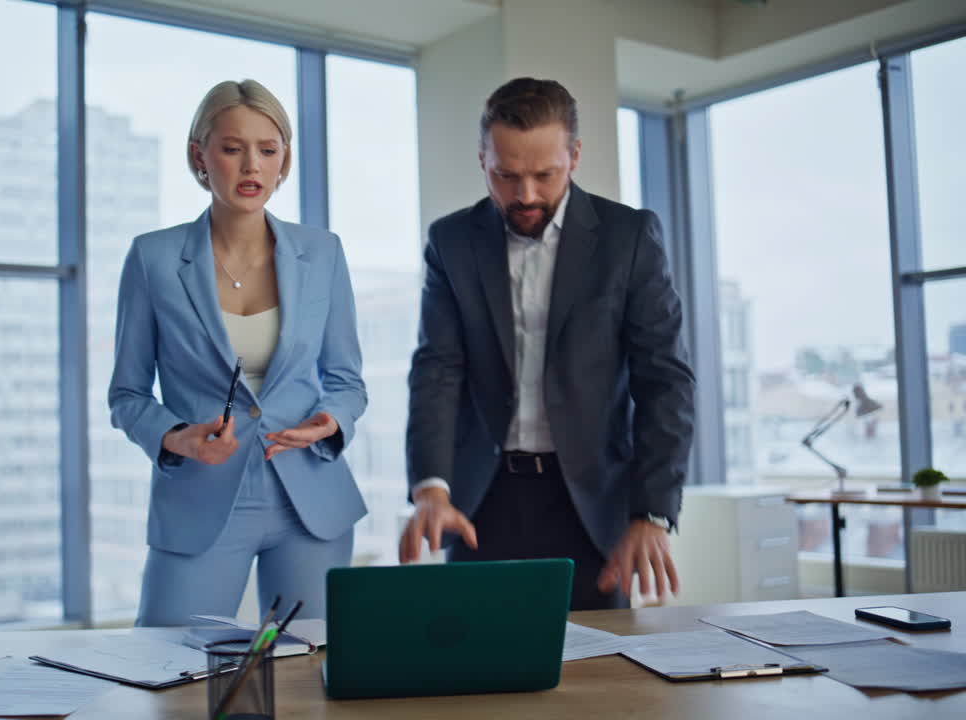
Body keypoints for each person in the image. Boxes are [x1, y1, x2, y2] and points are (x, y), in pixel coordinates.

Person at [399, 78, 695, 610]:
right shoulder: (452, 242)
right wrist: (430, 488)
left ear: (575, 155)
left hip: (590, 502)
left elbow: (665, 380)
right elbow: (437, 370)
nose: (526, 195)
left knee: (598, 676)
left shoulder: (628, 238)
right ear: (482, 158)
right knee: (471, 668)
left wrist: (650, 512)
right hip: (480, 502)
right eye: (505, 176)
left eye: (544, 175)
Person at [108, 79, 367, 626]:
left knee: (311, 681)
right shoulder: (153, 258)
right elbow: (127, 394)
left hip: (311, 503)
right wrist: (177, 437)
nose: (251, 165)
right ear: (200, 156)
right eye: (232, 148)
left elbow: (347, 380)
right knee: (166, 679)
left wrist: (330, 422)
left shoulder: (323, 254)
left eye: (267, 150)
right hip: (199, 501)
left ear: (284, 161)